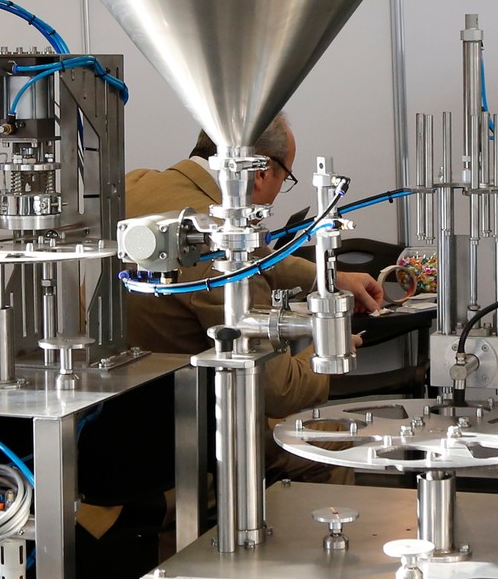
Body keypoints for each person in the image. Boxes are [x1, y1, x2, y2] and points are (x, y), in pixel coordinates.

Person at [124, 113, 383, 416]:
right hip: (188, 426)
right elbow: (279, 391)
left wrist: (328, 279)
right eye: (285, 179)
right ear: (260, 172)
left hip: (111, 414)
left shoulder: (135, 183)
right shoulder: (228, 259)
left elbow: (259, 256)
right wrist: (331, 346)